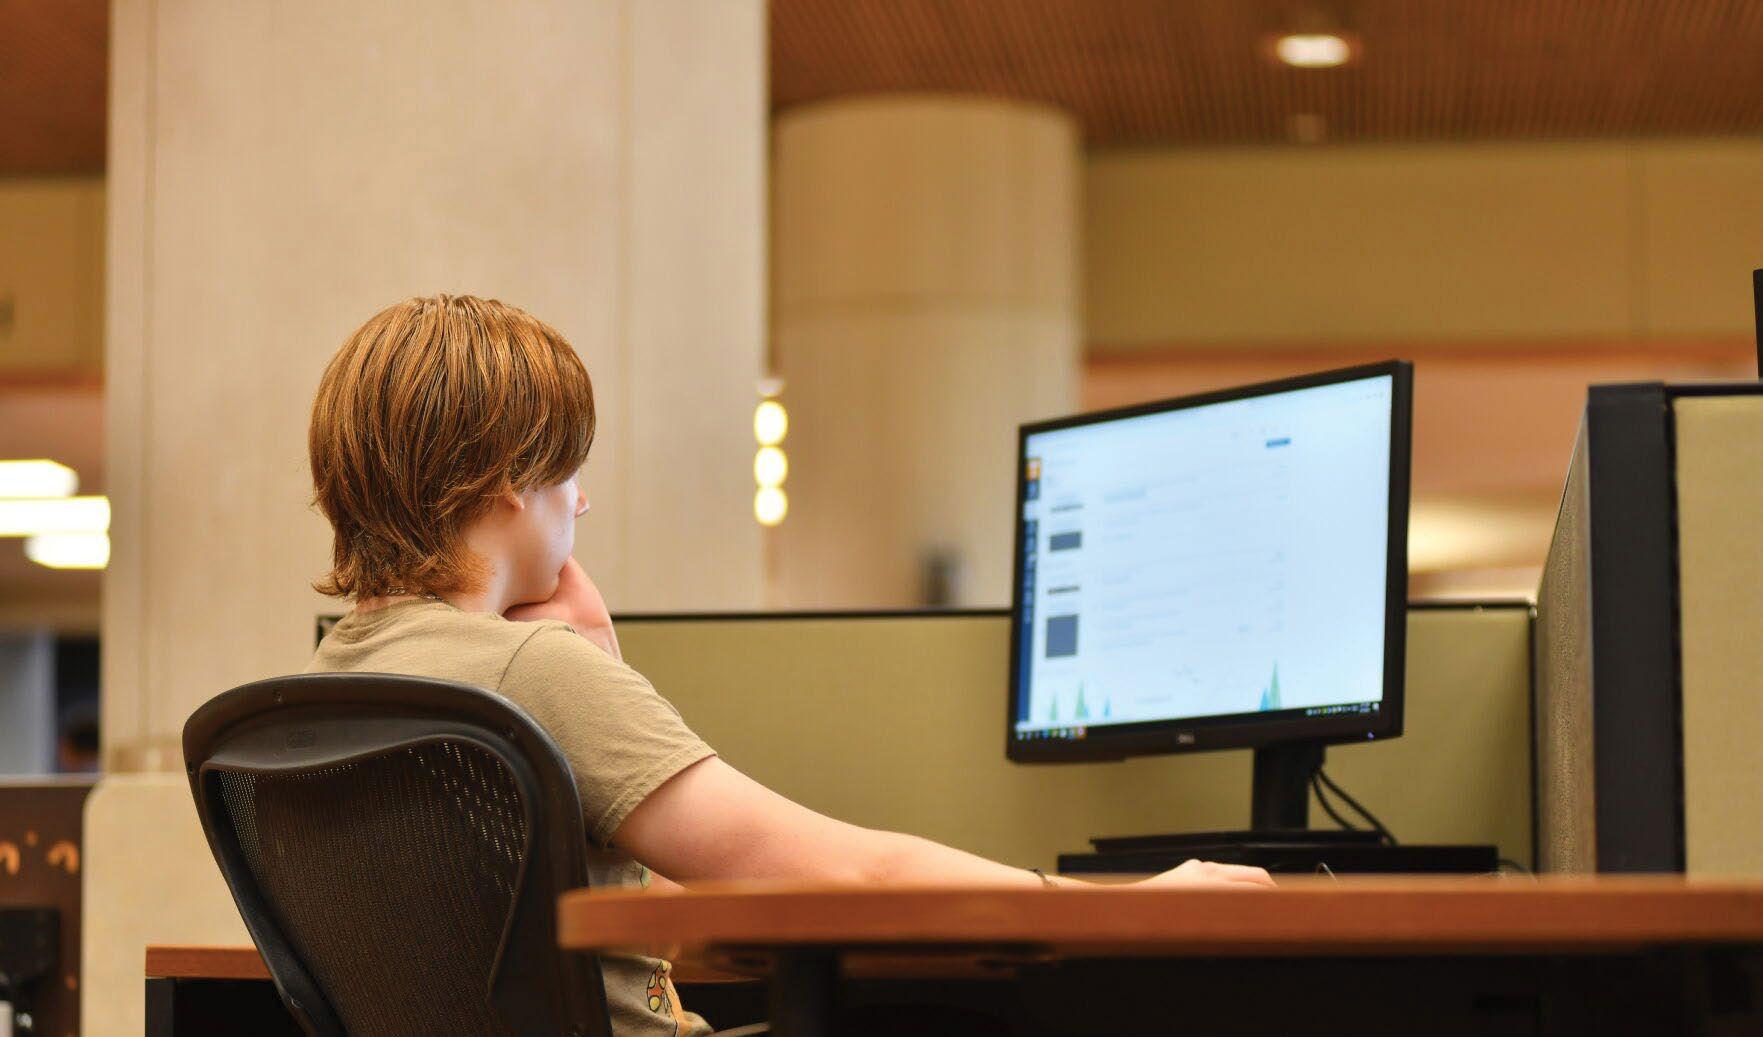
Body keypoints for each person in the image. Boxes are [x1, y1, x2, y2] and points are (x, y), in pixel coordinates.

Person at [307, 295, 1274, 1037]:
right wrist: (1128, 905)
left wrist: (594, 652)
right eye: (566, 469)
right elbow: (856, 872)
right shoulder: (529, 674)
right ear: (507, 480)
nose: (582, 501)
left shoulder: (321, 690)